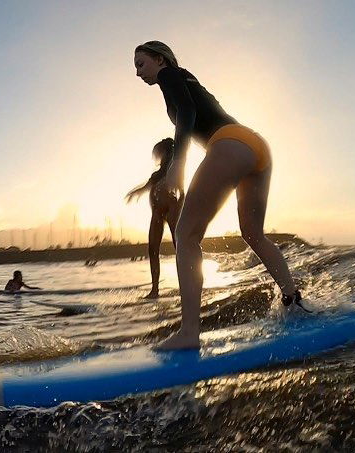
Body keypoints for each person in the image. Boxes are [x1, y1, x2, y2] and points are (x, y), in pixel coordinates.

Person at [133, 41, 306, 350]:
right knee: (253, 233)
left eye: (141, 64)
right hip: (254, 144)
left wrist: (178, 163)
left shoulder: (170, 75)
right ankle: (294, 302)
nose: (138, 72)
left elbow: (186, 112)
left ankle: (189, 333)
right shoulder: (186, 78)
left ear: (160, 60)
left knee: (186, 234)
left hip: (228, 142)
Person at [125, 137, 184, 299]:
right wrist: (134, 192)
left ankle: (186, 284)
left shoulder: (174, 167)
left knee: (179, 247)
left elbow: (181, 191)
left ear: (165, 152)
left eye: (158, 153)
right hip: (157, 212)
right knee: (152, 249)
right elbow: (146, 187)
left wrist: (178, 206)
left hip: (171, 208)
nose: (156, 156)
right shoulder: (156, 174)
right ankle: (155, 290)